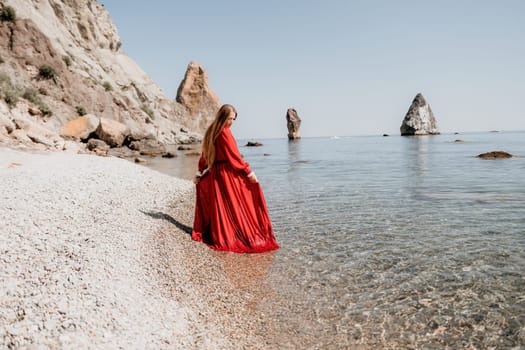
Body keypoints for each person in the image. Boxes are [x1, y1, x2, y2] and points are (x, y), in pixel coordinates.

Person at [191, 104, 279, 253]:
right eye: (230, 118)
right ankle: (237, 235)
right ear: (223, 116)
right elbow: (235, 155)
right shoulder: (224, 132)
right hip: (227, 173)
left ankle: (225, 233)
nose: (232, 122)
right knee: (241, 203)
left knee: (226, 207)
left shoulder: (211, 132)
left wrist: (200, 172)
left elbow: (205, 155)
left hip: (215, 174)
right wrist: (248, 171)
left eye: (233, 119)